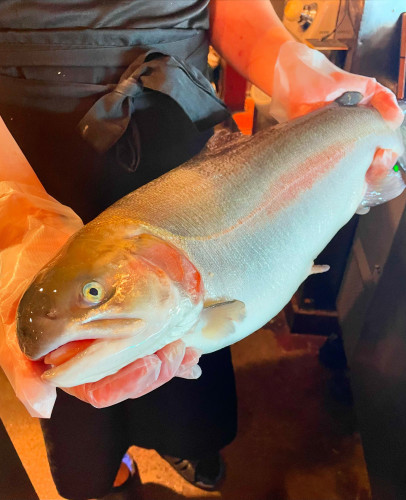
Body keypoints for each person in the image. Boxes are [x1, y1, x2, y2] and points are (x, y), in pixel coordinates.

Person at [0, 1, 402, 499]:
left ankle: (183, 444)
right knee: (75, 367)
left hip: (180, 127)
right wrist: (13, 220)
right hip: (28, 152)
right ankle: (112, 468)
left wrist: (286, 61)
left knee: (194, 352)